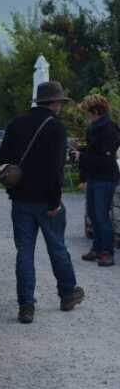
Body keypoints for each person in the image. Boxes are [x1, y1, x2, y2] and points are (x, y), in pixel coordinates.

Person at [0, 80, 84, 324]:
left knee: (24, 252)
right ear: (56, 103)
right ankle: (67, 294)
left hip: (21, 200)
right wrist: (55, 200)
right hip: (47, 201)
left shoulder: (16, 123)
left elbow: (3, 163)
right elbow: (56, 169)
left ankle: (26, 306)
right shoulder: (56, 127)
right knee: (57, 247)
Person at [76, 94, 120, 267]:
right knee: (94, 215)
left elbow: (105, 158)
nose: (86, 115)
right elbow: (92, 151)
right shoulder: (93, 128)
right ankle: (97, 248)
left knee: (102, 216)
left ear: (95, 111)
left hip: (106, 177)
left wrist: (83, 156)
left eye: (88, 112)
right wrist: (82, 154)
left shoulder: (110, 129)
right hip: (94, 176)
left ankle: (107, 253)